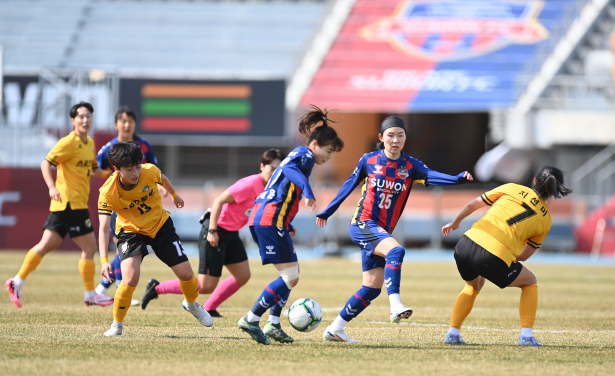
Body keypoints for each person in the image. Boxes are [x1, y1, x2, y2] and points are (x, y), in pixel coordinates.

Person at [316, 116, 473, 343]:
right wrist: (328, 210)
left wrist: (457, 179)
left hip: (380, 231)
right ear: (381, 138)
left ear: (405, 138)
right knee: (396, 251)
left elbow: (433, 176)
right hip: (362, 224)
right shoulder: (369, 160)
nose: (395, 139)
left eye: (400, 135)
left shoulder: (411, 166)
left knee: (371, 288)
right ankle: (395, 305)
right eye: (390, 135)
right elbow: (349, 184)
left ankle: (335, 329)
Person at [236, 106, 344, 345]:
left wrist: (287, 222)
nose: (328, 158)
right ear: (315, 145)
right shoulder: (304, 156)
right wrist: (308, 190)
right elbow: (288, 169)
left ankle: (273, 323)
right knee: (289, 275)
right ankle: (252, 318)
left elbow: (283, 187)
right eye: (328, 151)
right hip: (268, 219)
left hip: (271, 219)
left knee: (291, 276)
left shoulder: (302, 157)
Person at [140, 149, 285, 317]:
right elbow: (219, 201)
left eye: (279, 170)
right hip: (216, 230)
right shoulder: (250, 184)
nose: (275, 173)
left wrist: (286, 226)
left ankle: (209, 307)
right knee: (206, 285)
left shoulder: (272, 189)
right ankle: (156, 288)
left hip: (231, 234)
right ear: (262, 167)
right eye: (272, 169)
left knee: (243, 276)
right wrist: (212, 230)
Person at [441, 165, 572, 347]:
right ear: (555, 191)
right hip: (492, 255)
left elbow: (472, 204)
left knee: (473, 285)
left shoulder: (512, 188)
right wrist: (503, 255)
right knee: (530, 282)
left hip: (465, 243)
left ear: (534, 181)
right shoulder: (546, 220)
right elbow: (524, 256)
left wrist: (455, 223)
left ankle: (452, 334)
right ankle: (526, 337)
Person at [98, 141, 213, 336]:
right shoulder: (107, 192)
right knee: (130, 278)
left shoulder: (148, 171)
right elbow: (102, 228)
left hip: (160, 226)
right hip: (130, 232)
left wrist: (175, 195)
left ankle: (192, 304)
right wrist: (103, 261)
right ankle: (116, 325)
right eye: (129, 169)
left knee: (186, 274)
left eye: (137, 167)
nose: (135, 173)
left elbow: (163, 178)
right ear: (116, 169)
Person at [5, 101, 114, 308]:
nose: (85, 120)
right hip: (70, 204)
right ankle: (90, 294)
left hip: (70, 205)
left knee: (46, 246)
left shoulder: (89, 143)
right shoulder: (67, 142)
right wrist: (51, 187)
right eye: (81, 116)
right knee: (90, 247)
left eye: (88, 116)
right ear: (73, 121)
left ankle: (16, 281)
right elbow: (45, 163)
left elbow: (91, 170)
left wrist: (110, 172)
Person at [94, 105, 162, 303]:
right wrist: (113, 175)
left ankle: (105, 287)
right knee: (123, 244)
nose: (127, 125)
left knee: (128, 247)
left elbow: (154, 170)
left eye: (130, 121)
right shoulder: (109, 148)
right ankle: (119, 287)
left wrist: (163, 187)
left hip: (142, 202)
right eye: (123, 121)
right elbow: (94, 169)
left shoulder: (144, 145)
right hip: (120, 202)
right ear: (116, 124)